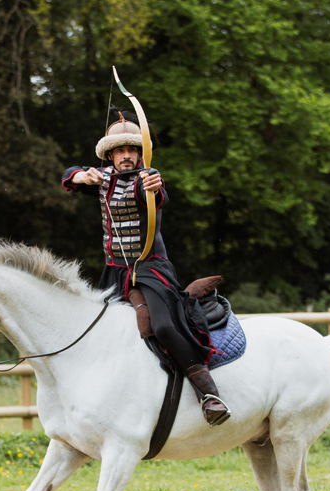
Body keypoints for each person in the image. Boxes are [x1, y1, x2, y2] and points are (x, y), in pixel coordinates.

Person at [62, 109, 230, 426]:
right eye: (120, 150)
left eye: (132, 150)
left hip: (151, 270)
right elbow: (70, 175)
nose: (126, 156)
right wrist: (81, 175)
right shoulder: (103, 179)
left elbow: (154, 193)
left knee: (165, 327)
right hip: (114, 272)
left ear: (140, 154)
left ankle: (209, 394)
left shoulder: (146, 180)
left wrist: (153, 185)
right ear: (110, 155)